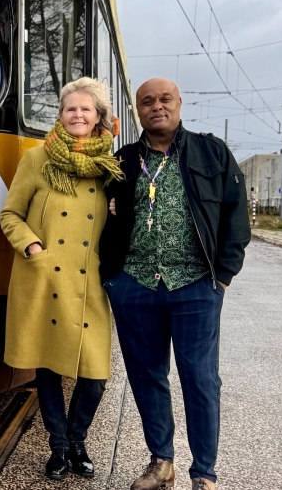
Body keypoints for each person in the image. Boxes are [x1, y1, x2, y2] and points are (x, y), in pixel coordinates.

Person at [99, 78, 250, 490]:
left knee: (200, 378)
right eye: (147, 102)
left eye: (165, 99)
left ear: (180, 103)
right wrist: (112, 277)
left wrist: (223, 275)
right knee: (146, 375)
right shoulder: (123, 160)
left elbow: (237, 216)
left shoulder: (211, 151)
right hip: (135, 284)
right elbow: (102, 214)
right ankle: (161, 461)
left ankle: (204, 474)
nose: (157, 107)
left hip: (196, 285)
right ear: (138, 110)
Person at [0, 77, 124, 481]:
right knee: (48, 369)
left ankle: (78, 437)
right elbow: (10, 215)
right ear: (60, 115)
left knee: (94, 375)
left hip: (89, 282)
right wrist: (34, 248)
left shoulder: (110, 168)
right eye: (71, 109)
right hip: (45, 278)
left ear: (99, 117)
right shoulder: (37, 160)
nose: (78, 115)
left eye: (86, 109)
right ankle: (60, 446)